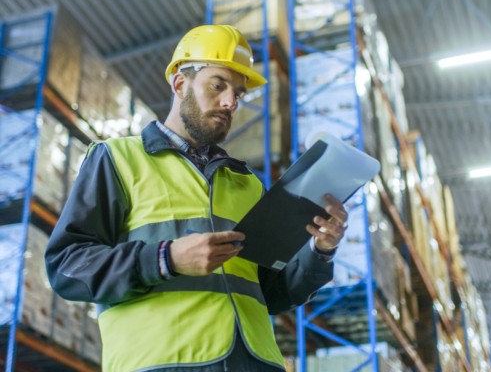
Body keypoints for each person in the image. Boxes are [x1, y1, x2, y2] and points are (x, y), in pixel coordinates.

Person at [45, 25, 348, 372]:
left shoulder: (248, 184)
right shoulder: (117, 159)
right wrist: (165, 258)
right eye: (217, 85)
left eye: (238, 93)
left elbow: (274, 292)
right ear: (179, 83)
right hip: (164, 363)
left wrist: (320, 251)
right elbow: (66, 266)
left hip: (255, 364)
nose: (230, 102)